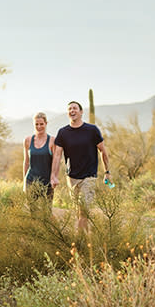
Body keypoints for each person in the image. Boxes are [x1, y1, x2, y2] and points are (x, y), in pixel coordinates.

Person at [50, 100, 111, 234]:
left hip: (89, 176)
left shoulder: (92, 130)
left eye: (75, 108)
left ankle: (78, 241)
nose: (72, 111)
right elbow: (57, 156)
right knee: (79, 212)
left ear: (81, 112)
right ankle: (86, 238)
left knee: (83, 210)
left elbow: (103, 151)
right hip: (72, 178)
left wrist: (107, 171)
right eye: (70, 109)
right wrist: (53, 175)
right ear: (68, 113)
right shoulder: (63, 132)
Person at [23, 111, 55, 201]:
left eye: (41, 124)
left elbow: (55, 162)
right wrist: (25, 182)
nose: (39, 127)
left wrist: (53, 177)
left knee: (46, 212)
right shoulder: (28, 140)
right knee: (33, 212)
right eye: (36, 124)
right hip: (31, 181)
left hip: (47, 182)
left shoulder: (52, 141)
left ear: (46, 123)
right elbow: (26, 162)